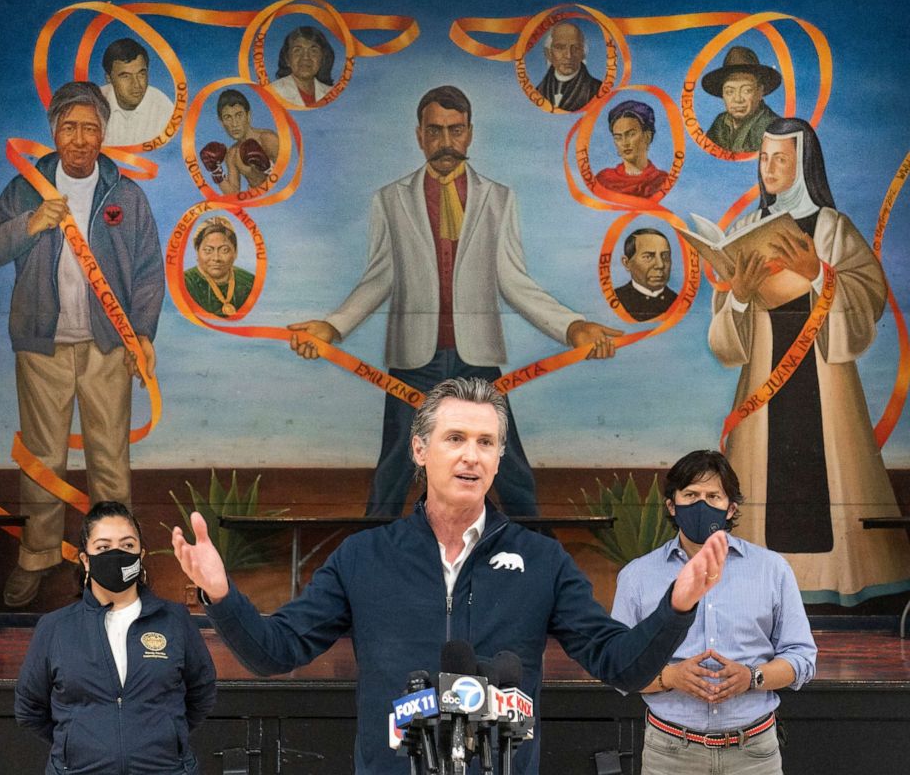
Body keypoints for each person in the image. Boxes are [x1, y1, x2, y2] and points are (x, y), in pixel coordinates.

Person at [173, 377, 730, 775]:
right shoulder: (362, 557)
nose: (471, 456)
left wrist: (676, 606)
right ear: (420, 449)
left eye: (486, 443)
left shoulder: (542, 560)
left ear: (499, 457)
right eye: (455, 438)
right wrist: (221, 595)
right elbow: (276, 651)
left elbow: (622, 667)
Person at [287, 85, 623, 517]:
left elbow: (514, 281)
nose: (446, 142)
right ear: (419, 135)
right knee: (395, 466)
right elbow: (378, 278)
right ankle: (369, 556)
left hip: (477, 356)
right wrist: (331, 328)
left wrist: (574, 328)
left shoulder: (499, 199)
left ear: (470, 133)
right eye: (435, 131)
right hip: (412, 359)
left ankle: (539, 552)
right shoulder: (389, 200)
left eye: (456, 130)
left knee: (509, 466)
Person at [0, 81, 165, 607]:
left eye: (90, 128)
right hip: (41, 347)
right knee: (43, 458)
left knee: (109, 461)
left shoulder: (126, 194)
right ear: (54, 132)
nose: (79, 139)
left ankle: (116, 567)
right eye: (69, 127)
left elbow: (149, 272)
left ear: (104, 133)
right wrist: (29, 225)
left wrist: (140, 334)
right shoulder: (26, 187)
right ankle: (36, 558)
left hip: (107, 348)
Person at [708, 117, 910, 604]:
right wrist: (738, 295)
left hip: (823, 376)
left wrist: (818, 272)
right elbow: (725, 334)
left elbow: (869, 294)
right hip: (765, 371)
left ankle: (833, 583)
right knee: (763, 482)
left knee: (829, 475)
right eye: (764, 157)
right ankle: (758, 587)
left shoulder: (833, 228)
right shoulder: (747, 228)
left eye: (781, 158)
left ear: (804, 165)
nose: (770, 168)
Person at [612, 450, 816, 775]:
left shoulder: (772, 569)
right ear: (671, 505)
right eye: (690, 495)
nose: (701, 504)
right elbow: (618, 668)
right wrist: (670, 677)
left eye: (713, 496)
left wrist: (752, 677)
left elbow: (802, 658)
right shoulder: (637, 576)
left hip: (754, 753)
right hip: (670, 753)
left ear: (730, 507)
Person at [15, 501, 216, 774]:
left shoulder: (175, 620)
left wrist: (166, 736)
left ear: (140, 555)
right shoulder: (54, 628)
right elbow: (30, 708)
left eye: (127, 545)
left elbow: (201, 693)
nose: (117, 554)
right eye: (103, 547)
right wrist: (76, 745)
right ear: (85, 559)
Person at [200, 89, 280, 195]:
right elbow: (233, 193)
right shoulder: (232, 154)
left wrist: (269, 168)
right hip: (260, 203)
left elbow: (289, 174)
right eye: (228, 117)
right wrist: (216, 172)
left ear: (248, 115)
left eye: (239, 115)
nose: (234, 123)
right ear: (221, 122)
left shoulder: (268, 139)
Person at [702, 47, 781, 154]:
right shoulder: (720, 122)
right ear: (723, 94)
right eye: (730, 91)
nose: (738, 99)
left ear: (760, 92)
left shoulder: (774, 127)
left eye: (746, 90)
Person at [99, 37, 174, 146]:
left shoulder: (163, 108)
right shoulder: (94, 104)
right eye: (125, 76)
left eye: (141, 74)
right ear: (109, 78)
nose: (136, 84)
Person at [184, 215, 255, 317]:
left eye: (224, 250)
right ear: (197, 252)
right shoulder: (185, 282)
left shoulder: (250, 282)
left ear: (235, 252)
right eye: (208, 250)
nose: (216, 258)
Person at [596, 100, 668, 198]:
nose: (625, 143)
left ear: (647, 136)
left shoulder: (664, 181)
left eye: (631, 134)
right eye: (618, 137)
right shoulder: (603, 180)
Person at [535, 21, 602, 111]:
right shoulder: (538, 92)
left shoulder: (598, 90)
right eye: (560, 47)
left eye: (576, 48)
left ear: (583, 53)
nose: (569, 55)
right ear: (548, 54)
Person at [615, 228, 677, 321]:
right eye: (648, 257)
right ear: (627, 263)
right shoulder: (616, 299)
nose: (660, 265)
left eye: (665, 256)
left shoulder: (678, 301)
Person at [269, 26, 335, 107]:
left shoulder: (332, 93)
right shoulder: (271, 92)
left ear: (322, 58)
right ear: (287, 59)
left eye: (313, 51)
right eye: (297, 50)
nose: (306, 57)